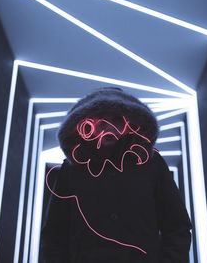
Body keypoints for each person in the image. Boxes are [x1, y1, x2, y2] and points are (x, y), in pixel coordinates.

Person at [40, 87, 192, 263]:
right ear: (86, 124)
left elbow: (176, 225)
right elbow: (54, 233)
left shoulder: (152, 164)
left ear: (131, 123)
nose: (109, 127)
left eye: (116, 119)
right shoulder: (72, 169)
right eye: (100, 121)